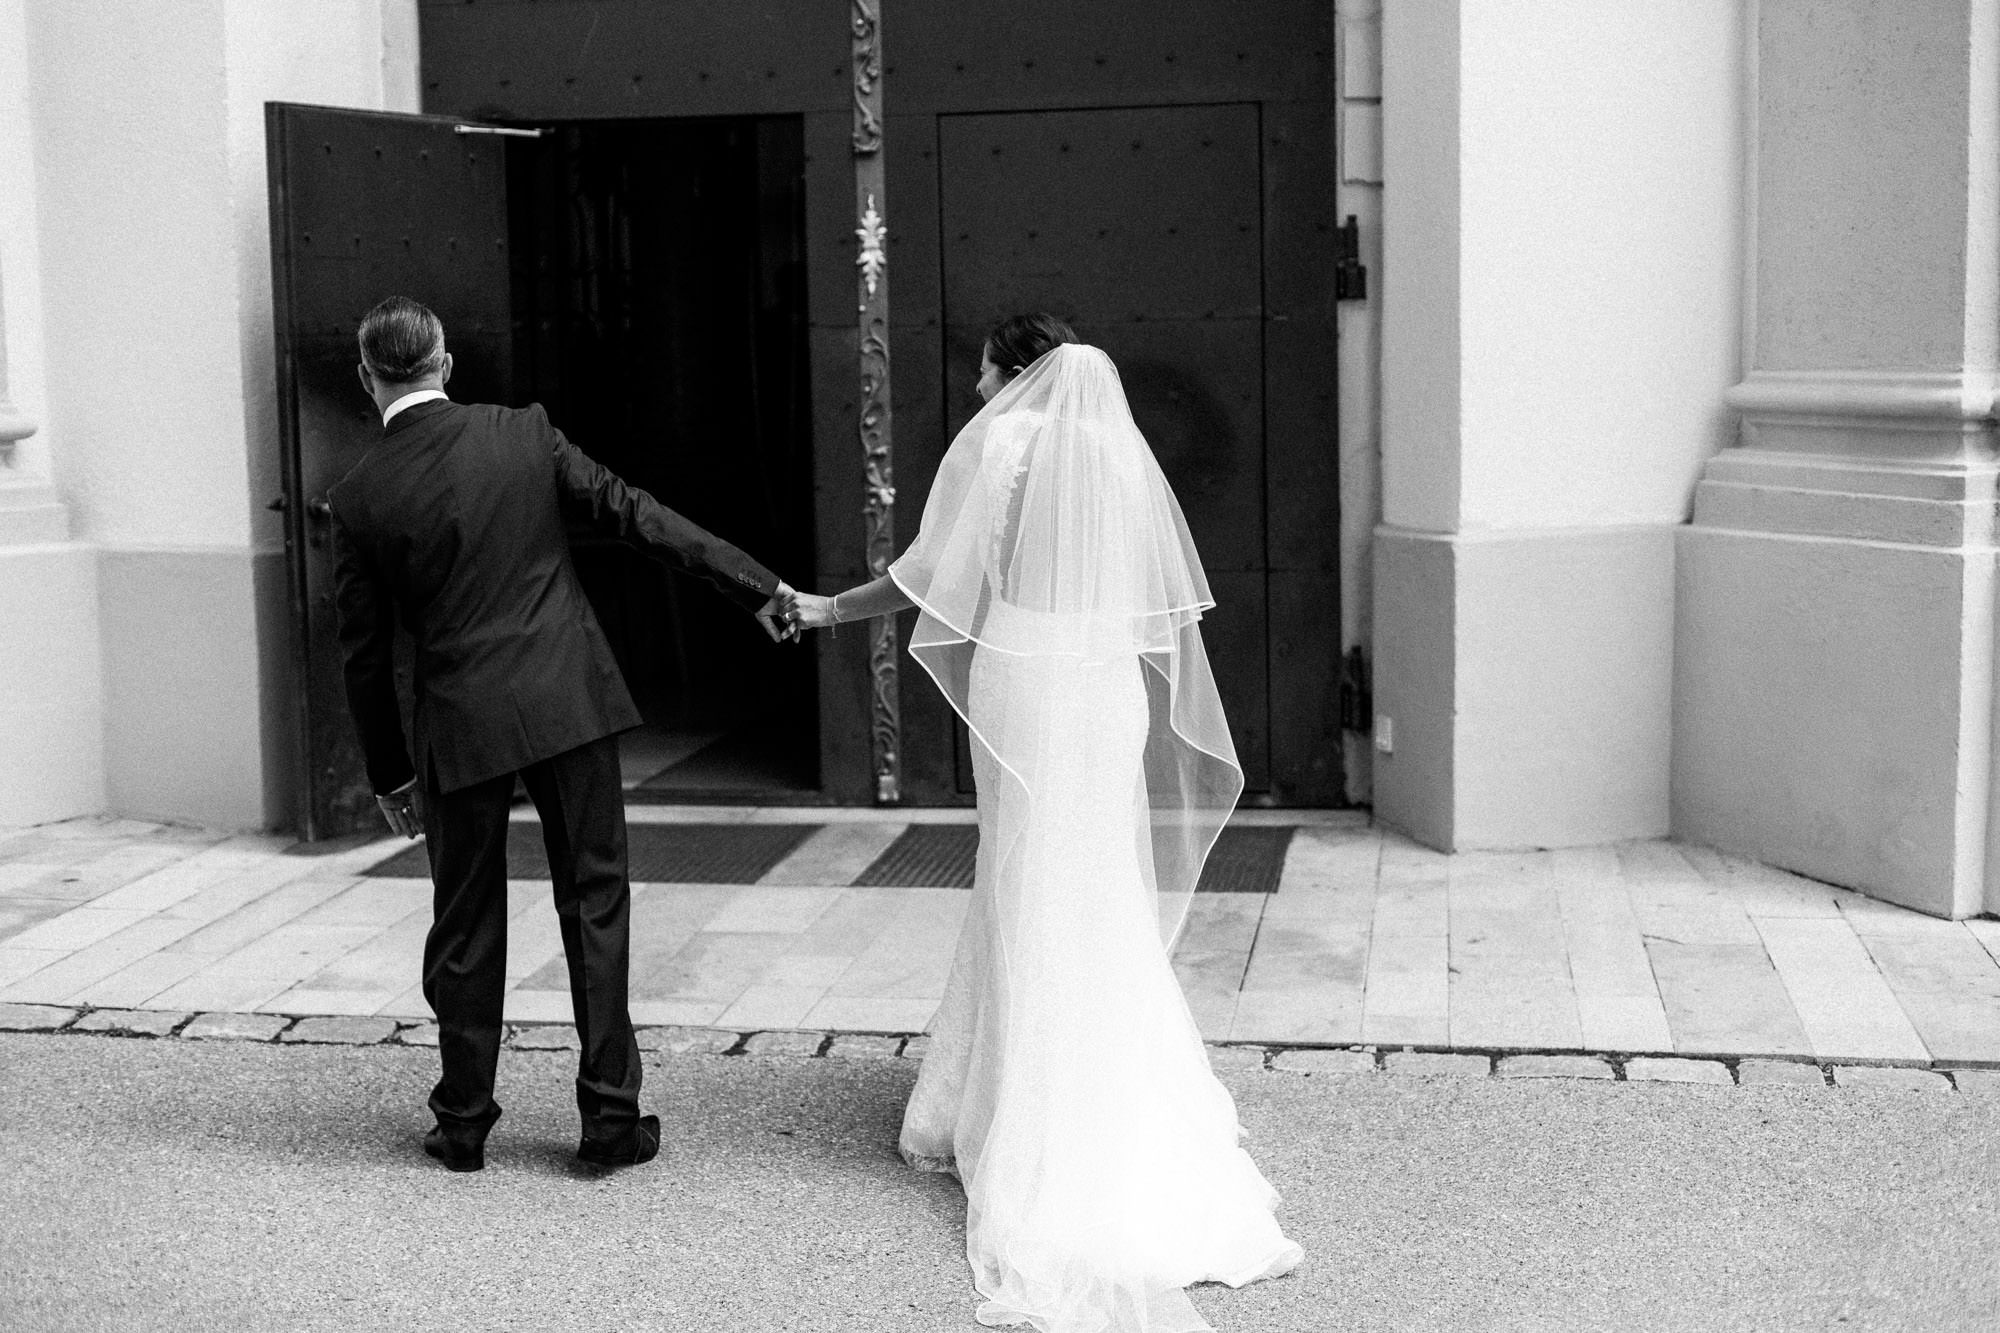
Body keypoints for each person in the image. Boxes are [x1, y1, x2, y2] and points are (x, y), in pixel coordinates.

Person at [785, 313, 1302, 1332]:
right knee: (1092, 884)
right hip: (1105, 685)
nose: (977, 386)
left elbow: (926, 578)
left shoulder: (1002, 444)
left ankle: (1020, 1117)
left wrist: (822, 611)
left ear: (1014, 372)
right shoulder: (1119, 455)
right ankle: (1098, 1087)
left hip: (1027, 677)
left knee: (1022, 878)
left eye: (984, 367)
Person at [329, 296, 796, 1174]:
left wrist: (392, 776)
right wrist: (754, 583)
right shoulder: (522, 433)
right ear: (446, 363)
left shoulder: (358, 497)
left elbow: (363, 655)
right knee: (595, 900)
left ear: (367, 377)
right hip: (566, 700)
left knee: (464, 919)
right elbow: (635, 513)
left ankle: (463, 1120)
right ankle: (609, 1119)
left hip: (459, 724)